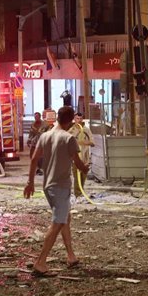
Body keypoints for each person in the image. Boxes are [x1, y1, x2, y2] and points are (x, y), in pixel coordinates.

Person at [24, 106, 89, 276]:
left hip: (48, 185)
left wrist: (30, 182)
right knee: (58, 222)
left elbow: (33, 159)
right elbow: (77, 163)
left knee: (65, 218)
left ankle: (71, 256)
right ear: (70, 121)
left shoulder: (45, 135)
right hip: (60, 186)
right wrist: (86, 169)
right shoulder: (68, 138)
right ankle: (40, 262)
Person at [69, 112, 94, 197]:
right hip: (75, 158)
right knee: (77, 176)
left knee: (83, 176)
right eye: (77, 119)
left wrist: (84, 142)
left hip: (85, 157)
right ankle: (77, 194)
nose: (79, 121)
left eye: (80, 119)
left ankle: (81, 191)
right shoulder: (71, 130)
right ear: (74, 119)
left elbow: (92, 142)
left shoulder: (86, 130)